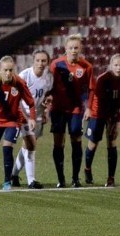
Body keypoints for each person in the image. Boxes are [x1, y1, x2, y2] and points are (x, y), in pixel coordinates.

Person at [0, 55, 36, 190]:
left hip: (13, 120)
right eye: (5, 70)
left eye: (11, 70)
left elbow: (31, 103)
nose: (8, 73)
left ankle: (7, 181)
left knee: (7, 147)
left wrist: (32, 117)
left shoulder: (19, 83)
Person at [49, 33, 96, 188]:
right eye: (71, 48)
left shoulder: (87, 66)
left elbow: (91, 89)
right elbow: (48, 85)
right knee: (58, 142)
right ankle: (61, 179)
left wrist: (89, 107)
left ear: (80, 48)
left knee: (76, 139)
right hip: (58, 108)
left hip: (76, 109)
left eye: (76, 47)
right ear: (65, 49)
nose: (74, 50)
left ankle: (75, 178)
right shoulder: (56, 64)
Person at [11, 50, 53, 189]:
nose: (40, 63)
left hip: (38, 117)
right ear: (33, 61)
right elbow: (16, 100)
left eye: (43, 61)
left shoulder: (48, 77)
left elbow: (46, 96)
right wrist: (27, 117)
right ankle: (31, 181)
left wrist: (46, 111)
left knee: (27, 146)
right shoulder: (24, 76)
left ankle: (14, 175)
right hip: (24, 115)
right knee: (31, 146)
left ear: (47, 62)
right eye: (38, 60)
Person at [83, 53, 120, 187]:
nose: (119, 68)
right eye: (116, 65)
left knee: (112, 141)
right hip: (98, 114)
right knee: (93, 143)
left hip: (113, 115)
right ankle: (87, 168)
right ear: (111, 66)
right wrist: (107, 119)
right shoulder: (103, 79)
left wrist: (116, 122)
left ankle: (111, 178)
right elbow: (99, 102)